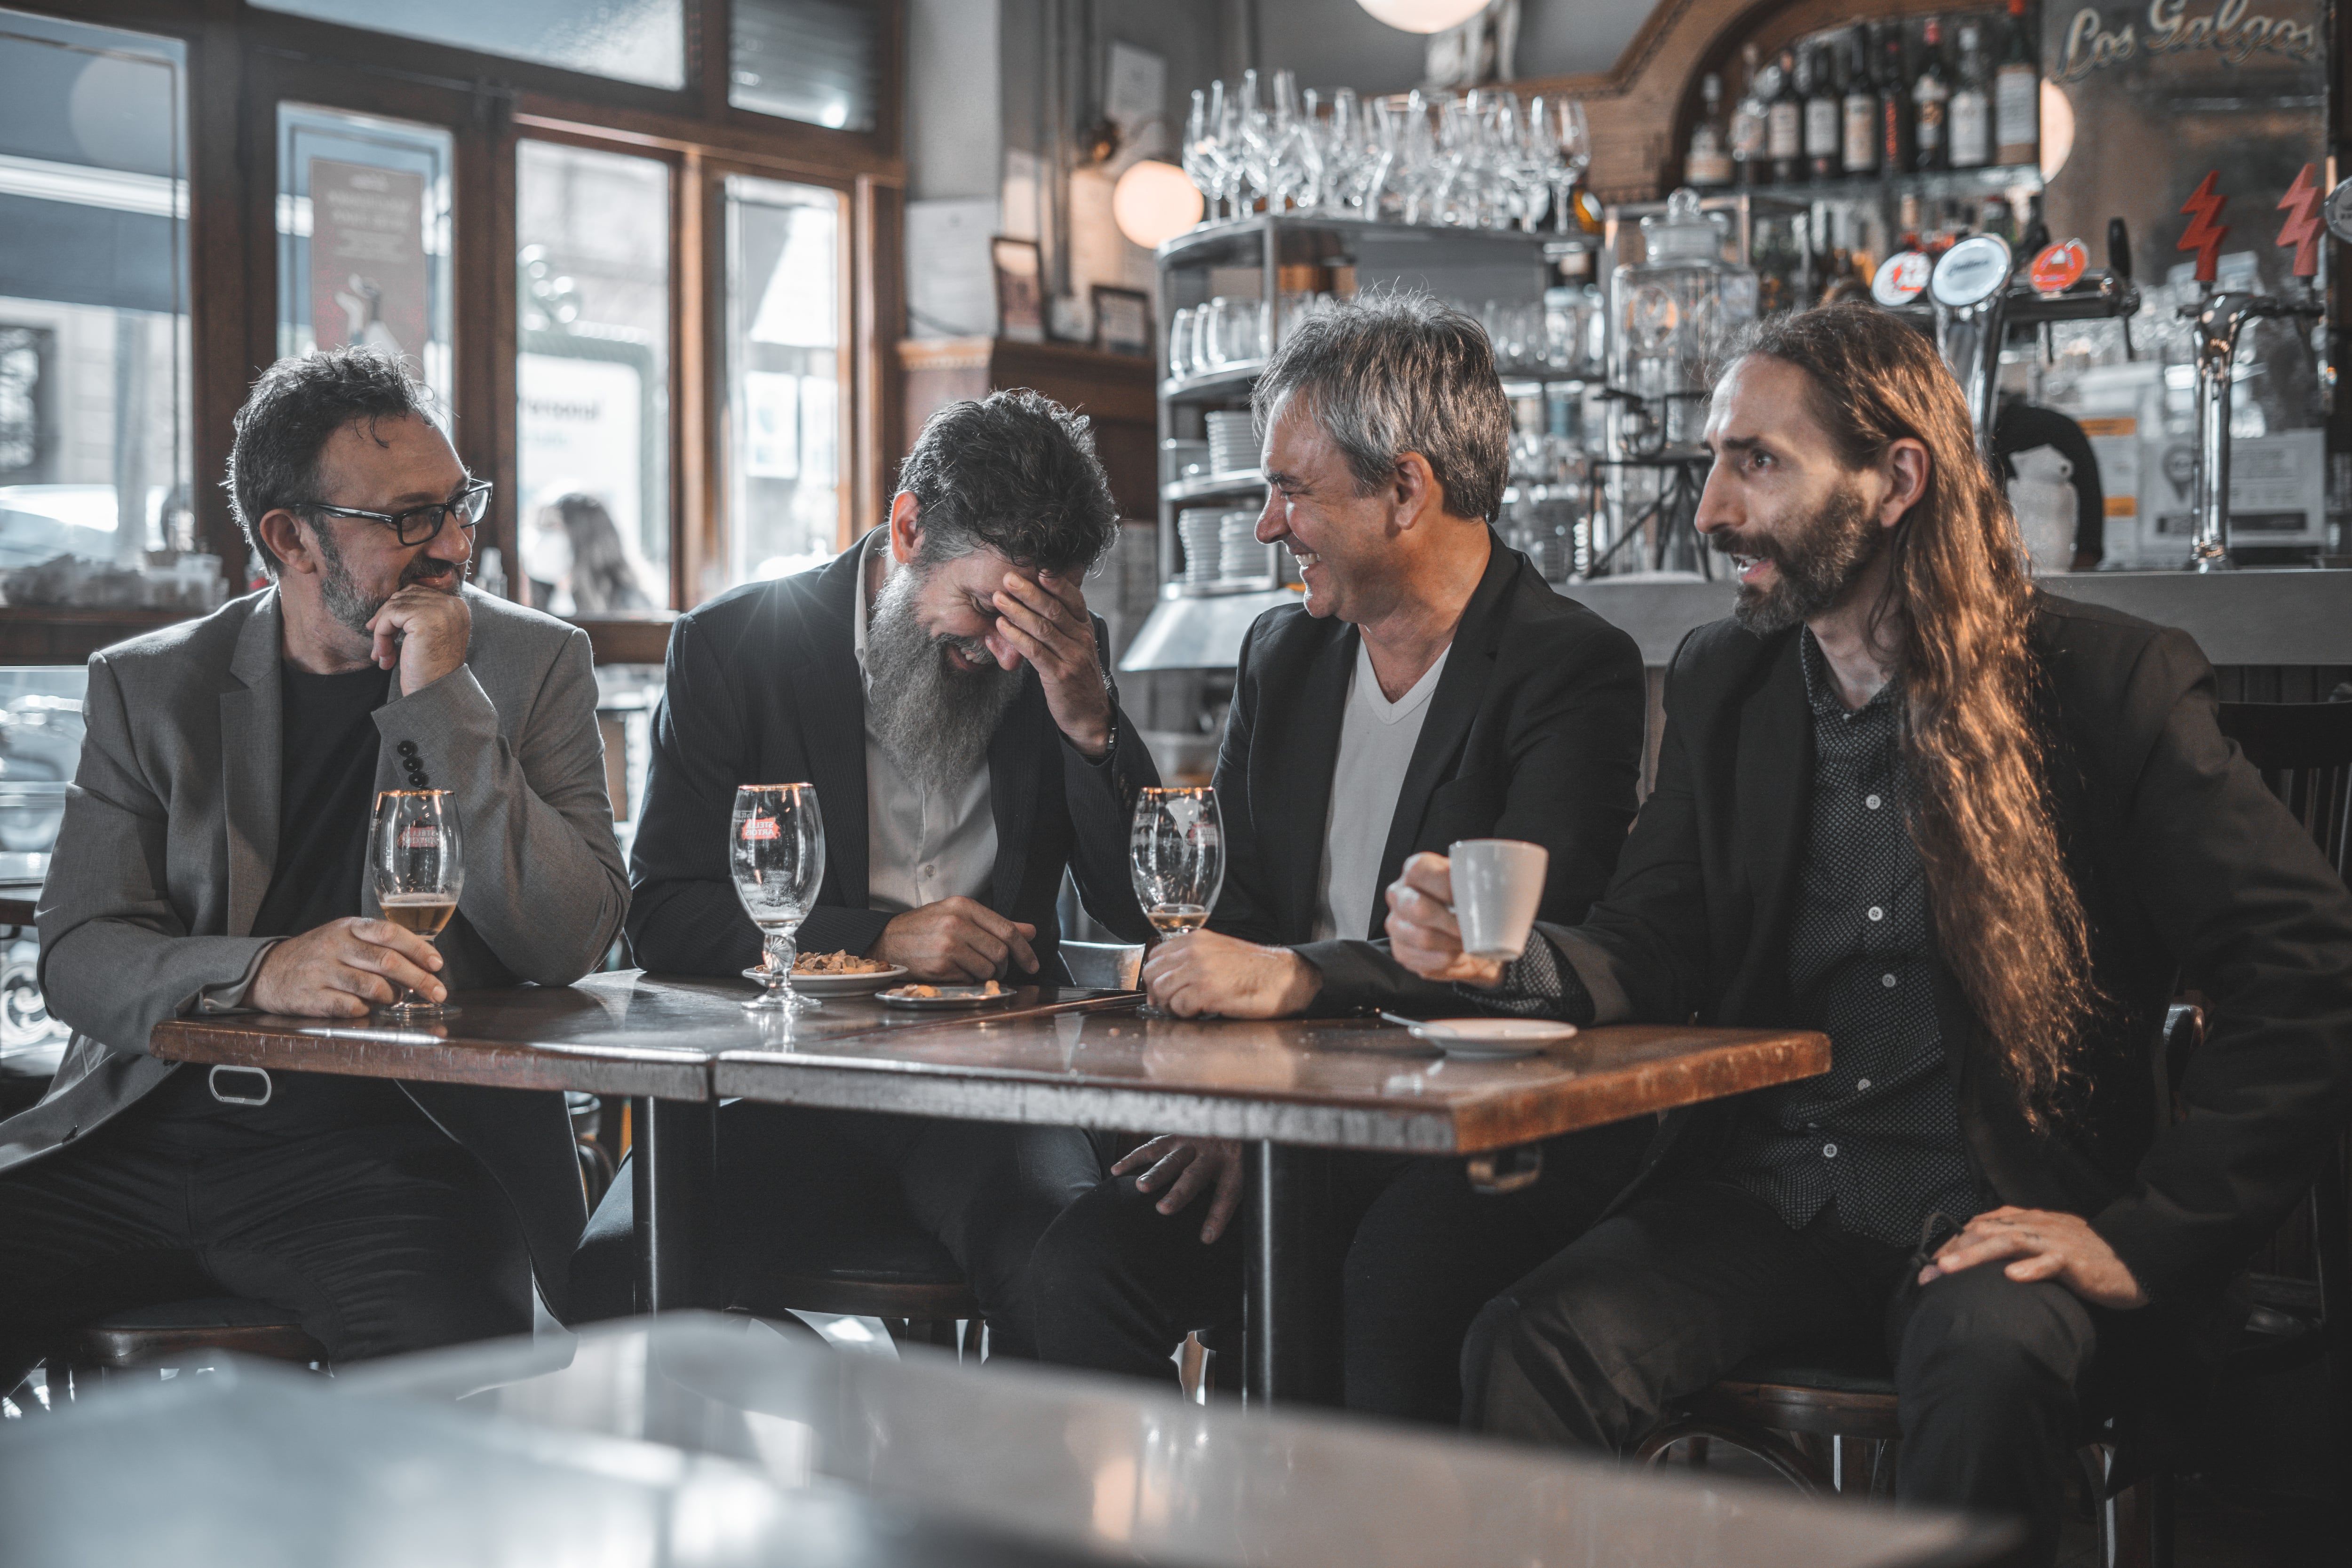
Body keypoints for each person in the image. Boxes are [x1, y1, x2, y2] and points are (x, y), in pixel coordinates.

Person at [1386, 304, 2352, 1563]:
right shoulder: (1728, 683)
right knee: (1528, 1342)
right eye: (1714, 461)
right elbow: (1652, 939)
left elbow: (2306, 962)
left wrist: (2147, 1236)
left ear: (1897, 480)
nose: (1711, 509)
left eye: (1758, 462)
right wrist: (1510, 962)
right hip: (1769, 1202)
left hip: (1999, 1210)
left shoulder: (2104, 682)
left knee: (1989, 1371)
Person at [1029, 294, 1652, 1423]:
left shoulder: (1569, 668)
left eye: (1292, 491)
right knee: (1078, 1269)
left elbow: (1512, 958)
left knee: (1385, 1290)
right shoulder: (1286, 654)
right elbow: (1226, 917)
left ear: (1405, 489)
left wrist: (1296, 982)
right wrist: (1245, 1106)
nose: (1267, 525)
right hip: (1294, 1122)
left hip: (1484, 1133)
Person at [0, 347, 628, 1384]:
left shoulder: (534, 662)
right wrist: (264, 969)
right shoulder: (152, 684)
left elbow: (571, 938)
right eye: (409, 518)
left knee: (434, 1369)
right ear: (290, 538)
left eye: (460, 504)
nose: (454, 544)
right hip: (143, 1130)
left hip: (397, 1152)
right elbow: (78, 951)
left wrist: (445, 700)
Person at [574, 390, 1159, 1355]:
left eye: (1035, 620)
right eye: (987, 606)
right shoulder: (735, 646)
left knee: (1069, 1277)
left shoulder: (1056, 664)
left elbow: (1141, 910)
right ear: (908, 528)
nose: (1005, 650)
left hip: (987, 1095)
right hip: (782, 1088)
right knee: (613, 1273)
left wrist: (1090, 721)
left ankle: (998, 1459)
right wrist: (878, 940)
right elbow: (667, 912)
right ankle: (851, 1419)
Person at [522, 491, 654, 617]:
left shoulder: (632, 606)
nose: (541, 539)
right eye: (540, 528)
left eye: (553, 527)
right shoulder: (542, 599)